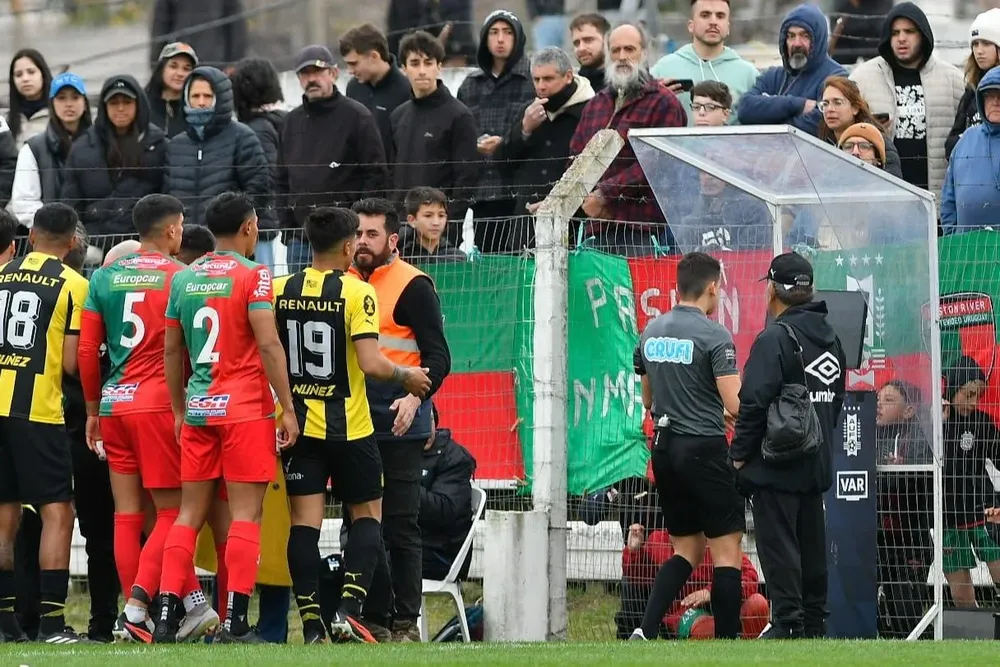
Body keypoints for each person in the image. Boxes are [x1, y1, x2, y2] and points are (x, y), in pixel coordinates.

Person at [275, 206, 431, 644]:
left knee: (303, 526)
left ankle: (310, 626)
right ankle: (347, 609)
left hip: (301, 427)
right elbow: (370, 361)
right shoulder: (355, 291)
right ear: (347, 246)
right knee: (367, 518)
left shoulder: (280, 289)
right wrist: (407, 376)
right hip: (353, 429)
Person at [153, 192, 299, 643]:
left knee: (187, 515)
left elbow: (172, 350)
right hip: (245, 412)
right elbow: (269, 344)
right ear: (250, 228)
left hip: (199, 409)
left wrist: (179, 409)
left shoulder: (186, 278)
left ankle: (163, 617)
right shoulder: (255, 276)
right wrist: (288, 407)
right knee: (245, 516)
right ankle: (234, 619)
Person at [78, 194, 220, 644]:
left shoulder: (102, 276)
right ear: (173, 230)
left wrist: (91, 410)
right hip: (158, 405)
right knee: (174, 514)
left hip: (113, 404)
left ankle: (186, 605)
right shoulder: (182, 277)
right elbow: (190, 349)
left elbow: (86, 351)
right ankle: (137, 611)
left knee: (127, 515)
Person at [349, 197, 452, 642]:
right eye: (356, 233)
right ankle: (370, 618)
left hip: (401, 424)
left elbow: (439, 357)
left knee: (400, 524)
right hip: (352, 421)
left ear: (392, 239)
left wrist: (416, 399)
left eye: (371, 234)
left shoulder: (414, 285)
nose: (362, 242)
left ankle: (406, 623)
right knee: (359, 524)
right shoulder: (343, 280)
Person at [730, 252, 847, 639]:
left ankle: (787, 623)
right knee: (812, 547)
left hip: (776, 464)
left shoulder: (776, 337)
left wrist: (740, 457)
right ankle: (813, 623)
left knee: (779, 547)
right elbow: (835, 402)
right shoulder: (832, 337)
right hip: (816, 462)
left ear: (772, 291)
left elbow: (753, 404)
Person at [630, 252, 745, 642]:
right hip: (704, 449)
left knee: (687, 550)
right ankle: (728, 645)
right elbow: (734, 404)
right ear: (713, 287)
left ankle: (644, 631)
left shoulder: (650, 331)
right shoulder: (715, 335)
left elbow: (647, 398)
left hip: (664, 448)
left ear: (678, 286)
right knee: (726, 552)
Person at [0, 203, 91, 644]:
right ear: (73, 242)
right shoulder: (74, 284)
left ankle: (5, 625)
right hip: (36, 412)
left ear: (30, 236)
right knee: (59, 511)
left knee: (3, 516)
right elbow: (73, 363)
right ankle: (54, 625)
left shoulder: (0, 274)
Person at [568, 22, 687, 254]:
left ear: (644, 53)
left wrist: (605, 195)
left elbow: (656, 163)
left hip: (643, 231)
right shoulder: (596, 104)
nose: (622, 56)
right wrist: (587, 199)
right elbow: (575, 158)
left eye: (629, 49)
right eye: (615, 50)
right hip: (596, 228)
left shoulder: (664, 103)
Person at [277, 45, 388, 272]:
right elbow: (280, 179)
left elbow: (375, 174)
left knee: (343, 302)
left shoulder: (357, 117)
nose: (311, 79)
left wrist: (357, 226)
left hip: (344, 239)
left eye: (318, 72)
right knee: (300, 303)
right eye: (305, 74)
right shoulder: (291, 122)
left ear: (334, 73)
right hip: (301, 241)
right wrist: (288, 228)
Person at [849, 2, 965, 194]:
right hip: (882, 199)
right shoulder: (863, 78)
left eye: (909, 31)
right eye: (895, 33)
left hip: (936, 200)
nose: (901, 38)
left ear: (923, 34)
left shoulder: (953, 80)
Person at [495, 46, 595, 242]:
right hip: (526, 226)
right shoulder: (529, 111)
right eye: (536, 79)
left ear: (568, 76)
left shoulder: (590, 110)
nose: (541, 86)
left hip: (574, 226)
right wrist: (524, 129)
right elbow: (501, 163)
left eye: (548, 79)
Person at [457, 9, 536, 252]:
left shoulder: (533, 79)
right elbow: (459, 133)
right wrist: (474, 145)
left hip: (520, 191)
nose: (500, 39)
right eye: (493, 32)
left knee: (522, 267)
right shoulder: (471, 85)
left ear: (518, 37)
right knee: (490, 269)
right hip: (483, 191)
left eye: (507, 32)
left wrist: (508, 141)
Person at [60, 76, 169, 246]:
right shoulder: (82, 148)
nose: (120, 108)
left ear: (138, 105)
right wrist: (80, 245)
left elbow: (167, 199)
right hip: (93, 244)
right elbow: (71, 203)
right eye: (113, 102)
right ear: (104, 107)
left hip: (144, 245)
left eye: (127, 102)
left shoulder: (159, 145)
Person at [389, 30, 480, 234]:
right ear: (403, 69)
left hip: (440, 232)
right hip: (402, 228)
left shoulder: (459, 115)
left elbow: (467, 178)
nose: (422, 71)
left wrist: (448, 225)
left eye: (428, 63)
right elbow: (392, 174)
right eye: (414, 63)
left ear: (439, 67)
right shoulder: (398, 116)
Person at [164, 66, 270, 228]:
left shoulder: (242, 137)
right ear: (186, 98)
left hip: (227, 242)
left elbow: (258, 190)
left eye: (207, 96)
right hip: (183, 243)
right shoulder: (176, 145)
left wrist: (234, 227)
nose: (201, 102)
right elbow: (167, 196)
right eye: (195, 96)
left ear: (220, 98)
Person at [622, 525, 769, 639]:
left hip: (724, 603)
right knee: (707, 628)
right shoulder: (658, 540)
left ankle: (744, 654)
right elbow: (639, 577)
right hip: (685, 612)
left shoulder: (716, 540)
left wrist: (711, 592)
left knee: (758, 604)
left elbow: (750, 575)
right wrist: (633, 551)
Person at [940, 357, 1000, 607]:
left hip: (983, 510)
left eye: (977, 396)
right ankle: (975, 640)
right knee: (961, 594)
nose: (973, 402)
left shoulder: (983, 422)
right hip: (947, 516)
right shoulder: (934, 421)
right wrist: (940, 423)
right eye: (968, 395)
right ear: (953, 388)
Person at [874, 380, 932, 638]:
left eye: (888, 400)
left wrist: (903, 466)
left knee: (905, 613)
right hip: (876, 540)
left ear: (909, 410)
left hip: (911, 541)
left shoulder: (921, 437)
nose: (879, 405)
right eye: (878, 399)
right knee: (869, 608)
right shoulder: (868, 436)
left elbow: (920, 481)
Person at [738, 4, 846, 134]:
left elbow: (820, 124)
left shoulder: (836, 77)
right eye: (791, 36)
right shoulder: (773, 76)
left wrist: (768, 116)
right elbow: (745, 109)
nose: (797, 43)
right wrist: (799, 105)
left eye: (805, 35)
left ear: (818, 39)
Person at [650, 0, 760, 124]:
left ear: (728, 27)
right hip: (673, 144)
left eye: (720, 16)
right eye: (705, 15)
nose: (713, 21)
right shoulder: (663, 69)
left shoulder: (748, 74)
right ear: (691, 25)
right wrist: (655, 98)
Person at [10, 73, 93, 230]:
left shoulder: (101, 144)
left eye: (75, 97)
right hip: (49, 236)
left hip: (96, 233)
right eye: (61, 98)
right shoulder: (33, 149)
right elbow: (24, 203)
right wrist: (55, 228)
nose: (69, 104)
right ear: (52, 103)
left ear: (85, 102)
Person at [229, 57, 287, 268]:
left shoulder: (257, 129)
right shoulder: (279, 121)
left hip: (261, 227)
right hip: (271, 223)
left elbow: (267, 176)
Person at [342, 23, 413, 165]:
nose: (350, 70)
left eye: (354, 63)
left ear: (374, 56)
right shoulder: (353, 88)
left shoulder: (407, 91)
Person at [419, 405, 477, 581]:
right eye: (417, 422)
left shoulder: (455, 458)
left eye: (428, 419)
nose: (426, 429)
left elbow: (445, 511)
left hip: (441, 554)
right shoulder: (398, 454)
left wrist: (402, 486)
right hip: (408, 544)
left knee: (377, 563)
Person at [942, 68, 1000, 235]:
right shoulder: (966, 139)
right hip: (967, 251)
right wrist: (953, 240)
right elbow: (948, 199)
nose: (995, 101)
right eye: (989, 95)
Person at [818, 76, 903, 178]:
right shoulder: (821, 142)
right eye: (825, 104)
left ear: (855, 108)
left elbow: (892, 185)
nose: (830, 109)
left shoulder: (879, 141)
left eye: (837, 102)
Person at [947, 9, 1000, 159]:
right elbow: (950, 145)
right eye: (975, 44)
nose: (979, 51)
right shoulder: (971, 90)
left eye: (986, 43)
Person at [149, 0, 247, 71]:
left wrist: (235, 63)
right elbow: (160, 26)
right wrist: (156, 63)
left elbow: (236, 26)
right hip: (181, 61)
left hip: (214, 62)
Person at [145, 42, 198, 139]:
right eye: (173, 66)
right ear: (162, 68)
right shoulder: (143, 104)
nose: (180, 73)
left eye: (186, 69)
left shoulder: (197, 108)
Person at [398, 187, 466, 261]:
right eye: (428, 216)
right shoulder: (402, 258)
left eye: (441, 215)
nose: (436, 223)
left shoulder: (458, 258)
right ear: (412, 220)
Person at [6, 49, 53, 148]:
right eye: (18, 75)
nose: (25, 79)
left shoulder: (59, 116)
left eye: (31, 72)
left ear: (43, 75)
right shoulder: (7, 121)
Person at [570, 12, 610, 91]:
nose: (581, 48)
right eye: (577, 43)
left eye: (588, 40)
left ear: (607, 40)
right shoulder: (570, 86)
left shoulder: (620, 85)